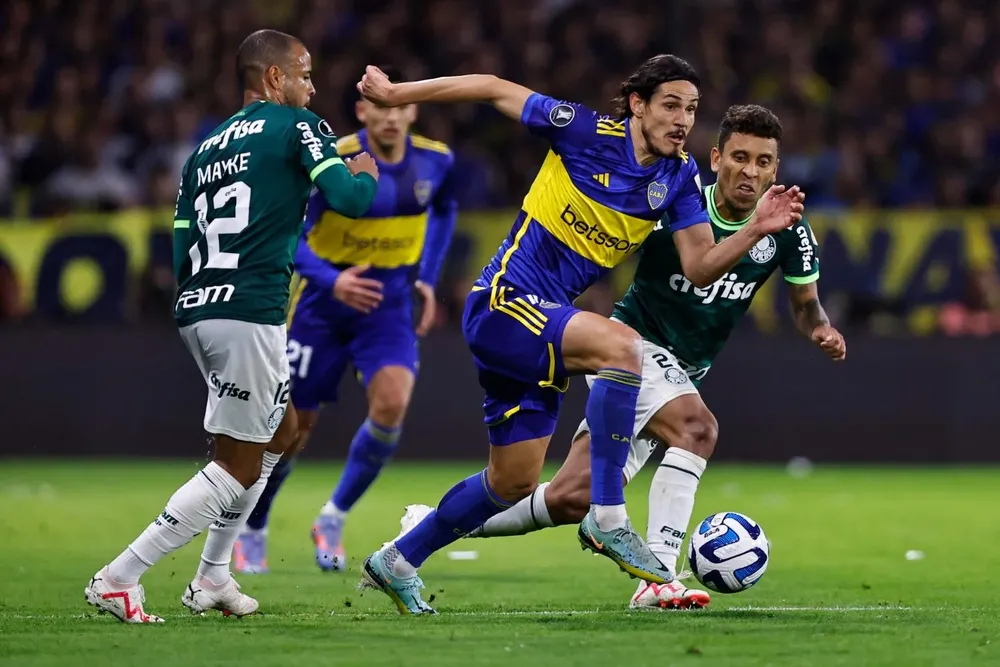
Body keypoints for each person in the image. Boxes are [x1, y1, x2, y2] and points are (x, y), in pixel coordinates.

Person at [354, 58, 805, 614]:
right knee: (623, 346)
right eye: (670, 105)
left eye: (690, 109)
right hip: (503, 301)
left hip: (539, 329)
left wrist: (758, 227)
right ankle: (610, 516)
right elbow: (493, 87)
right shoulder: (583, 130)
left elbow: (700, 267)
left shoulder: (679, 177)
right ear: (638, 104)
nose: (683, 119)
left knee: (512, 482)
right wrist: (398, 93)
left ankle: (398, 560)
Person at [83, 29, 378, 623]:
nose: (312, 86)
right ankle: (120, 575)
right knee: (239, 463)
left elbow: (180, 241)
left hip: (199, 307)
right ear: (274, 78)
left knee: (284, 430)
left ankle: (213, 577)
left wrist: (201, 301)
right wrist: (366, 170)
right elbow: (348, 199)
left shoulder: (203, 149)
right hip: (249, 309)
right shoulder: (298, 126)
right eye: (304, 73)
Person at [234, 66, 459, 574]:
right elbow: (287, 234)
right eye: (380, 107)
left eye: (399, 106)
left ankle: (333, 516)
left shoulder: (436, 162)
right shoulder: (331, 159)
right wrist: (333, 280)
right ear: (362, 111)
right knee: (292, 427)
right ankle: (254, 525)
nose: (391, 117)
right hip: (322, 305)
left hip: (390, 305)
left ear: (412, 109)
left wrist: (426, 277)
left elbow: (445, 210)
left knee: (392, 404)